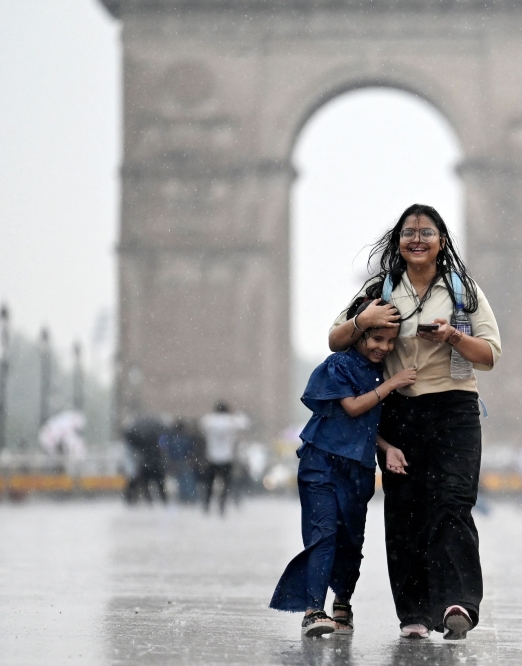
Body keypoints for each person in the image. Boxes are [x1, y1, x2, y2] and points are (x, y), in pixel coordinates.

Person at [327, 203, 501, 641]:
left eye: (427, 231)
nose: (417, 239)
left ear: (442, 241)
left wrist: (453, 336)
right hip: (401, 412)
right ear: (398, 242)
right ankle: (414, 612)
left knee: (453, 502)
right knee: (404, 513)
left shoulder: (466, 292)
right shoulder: (380, 291)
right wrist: (364, 320)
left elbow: (491, 356)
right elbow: (335, 339)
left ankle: (459, 602)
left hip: (455, 409)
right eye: (409, 232)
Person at [270, 300, 416, 637]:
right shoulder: (338, 365)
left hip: (358, 469)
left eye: (391, 341)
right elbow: (351, 408)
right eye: (376, 339)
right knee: (323, 535)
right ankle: (313, 610)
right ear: (360, 334)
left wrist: (388, 446)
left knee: (351, 541)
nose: (384, 347)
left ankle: (343, 603)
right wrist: (392, 385)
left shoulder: (378, 373)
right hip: (320, 462)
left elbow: (365, 424)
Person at [199, 401, 249, 515]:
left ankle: (207, 505)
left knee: (209, 484)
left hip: (211, 457)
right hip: (227, 458)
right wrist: (234, 414)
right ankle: (222, 506)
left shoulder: (209, 420)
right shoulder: (231, 421)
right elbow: (245, 423)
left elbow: (201, 423)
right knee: (225, 484)